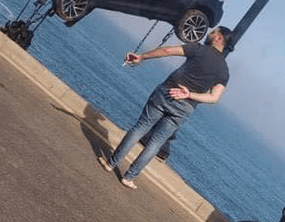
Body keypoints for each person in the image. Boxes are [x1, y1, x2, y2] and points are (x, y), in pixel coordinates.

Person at [98, 26, 232, 189]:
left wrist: (141, 57)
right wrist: (188, 94)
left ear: (218, 38)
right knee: (156, 142)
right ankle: (129, 177)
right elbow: (214, 98)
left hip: (166, 92)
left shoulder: (199, 49)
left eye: (213, 32)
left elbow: (167, 50)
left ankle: (111, 163)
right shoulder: (224, 71)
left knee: (140, 128)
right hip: (185, 107)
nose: (210, 33)